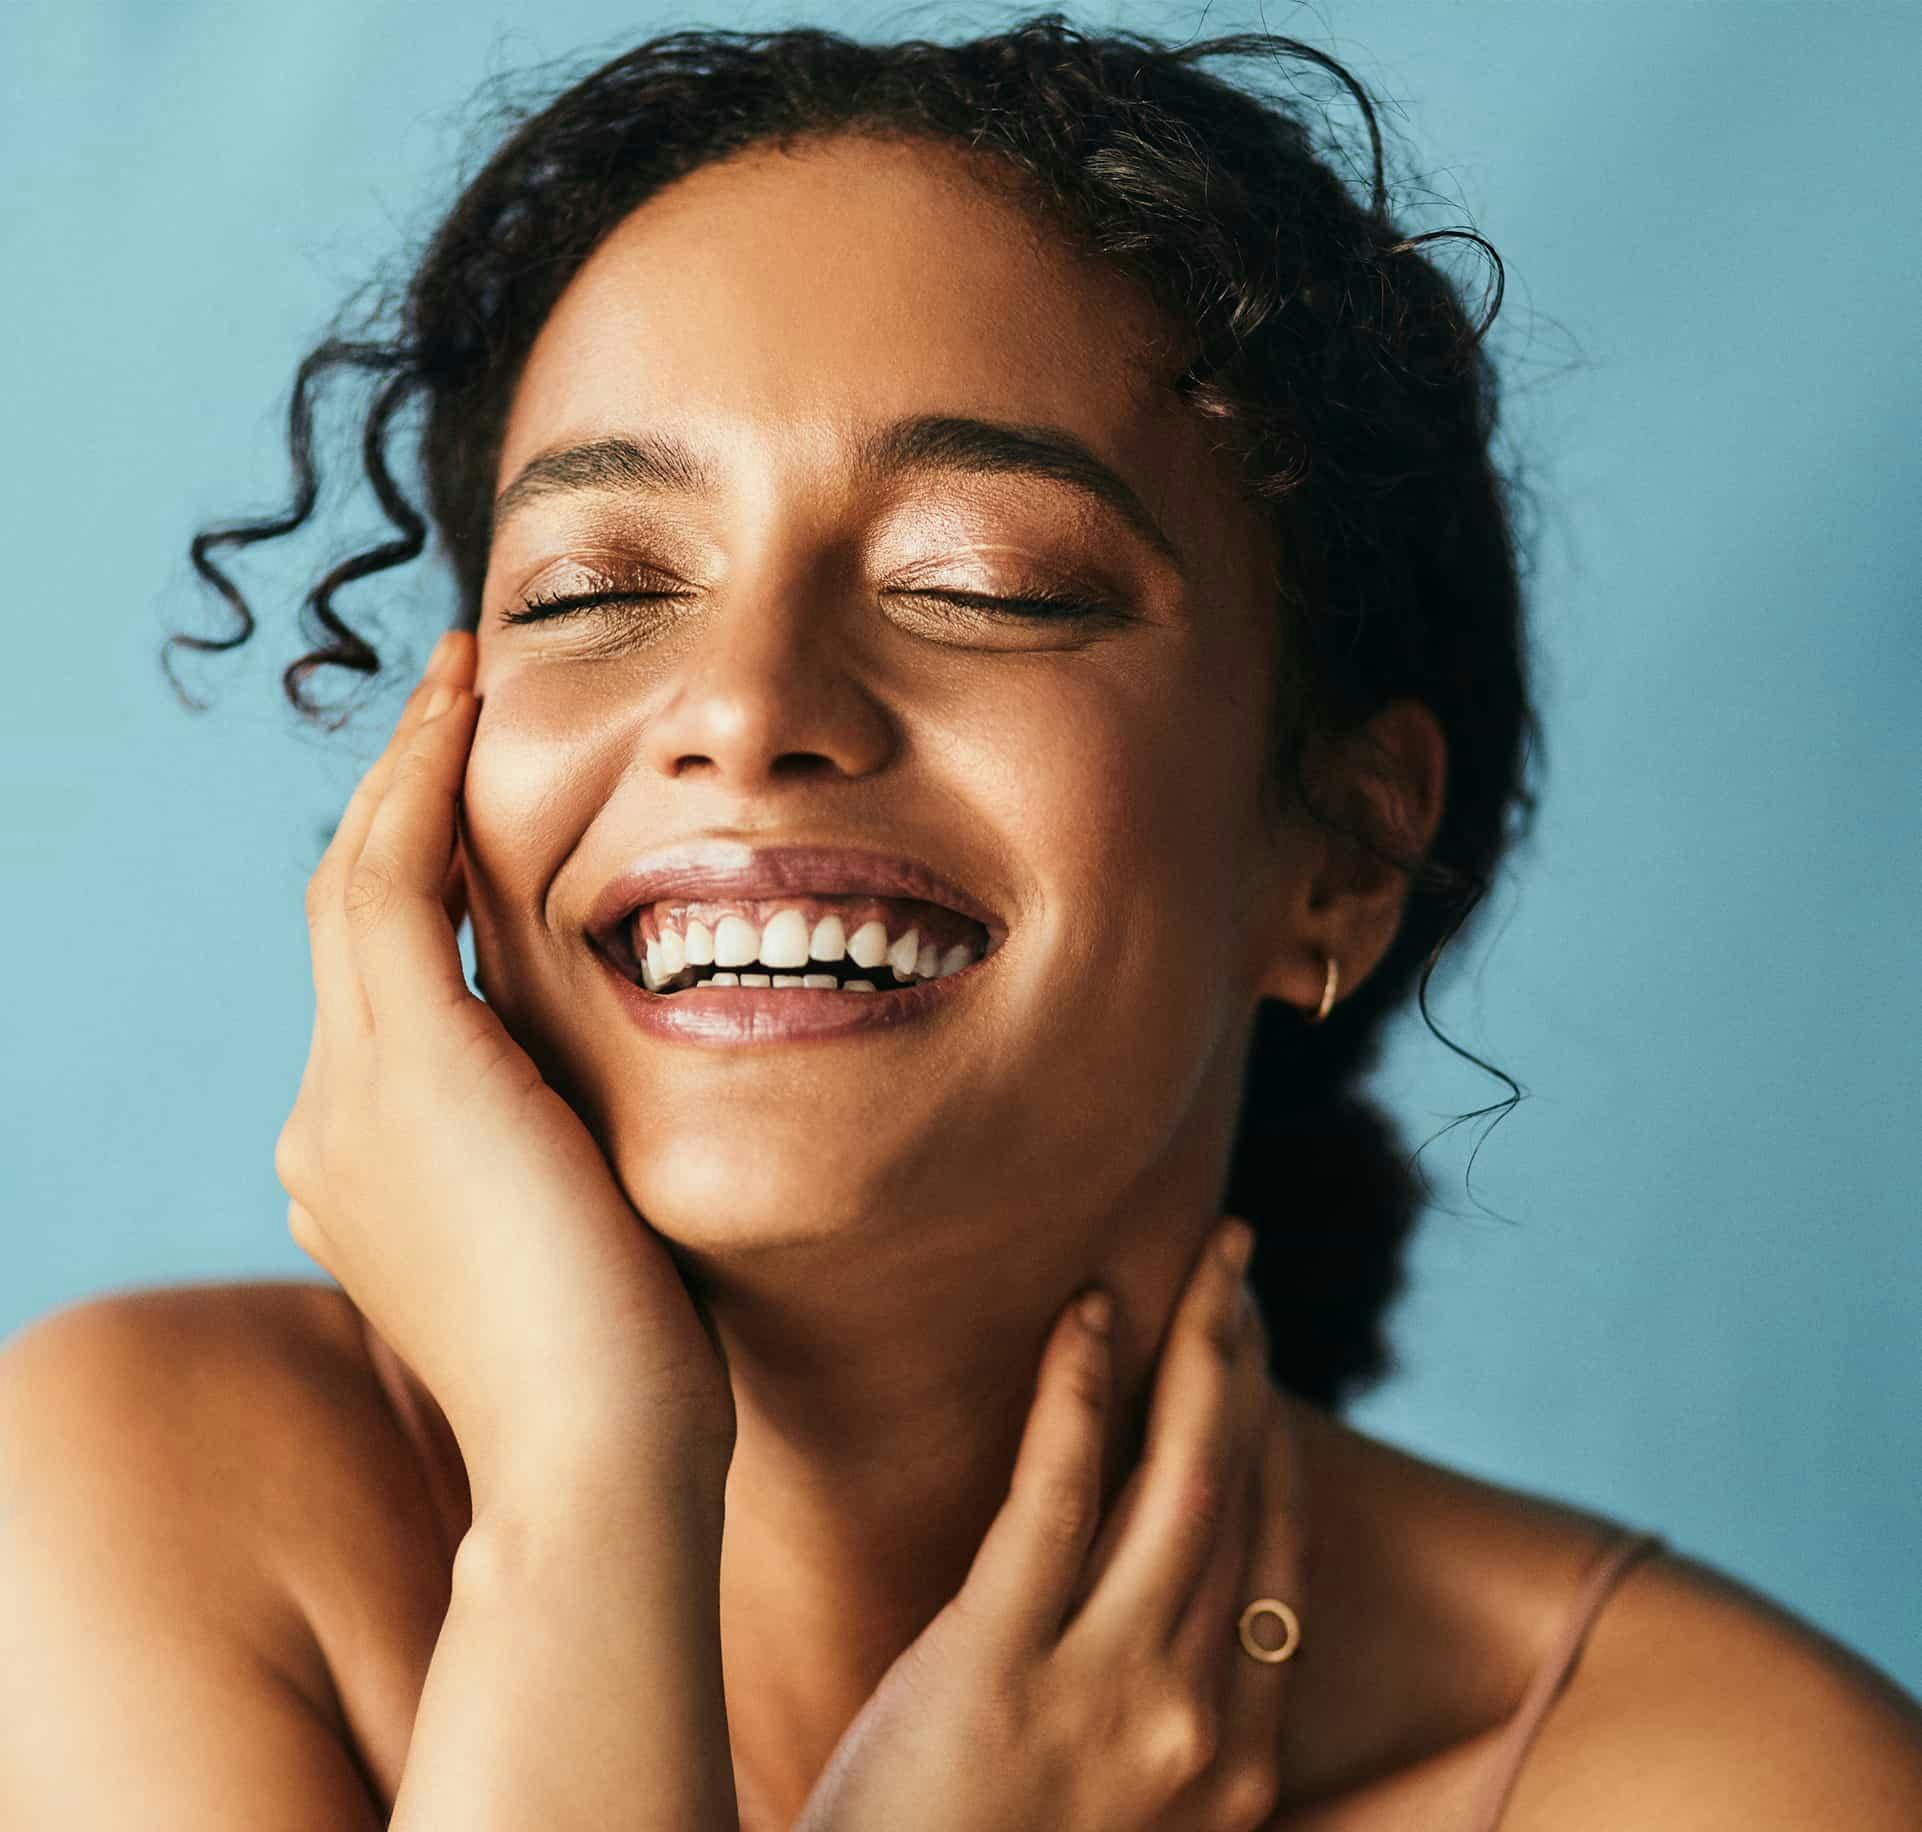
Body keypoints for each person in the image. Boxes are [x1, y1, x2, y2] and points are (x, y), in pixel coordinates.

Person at [3, 14, 1919, 1829]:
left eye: (981, 583)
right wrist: (589, 1492)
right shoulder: (141, 1494)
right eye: (593, 586)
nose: (745, 710)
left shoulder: (1728, 1782)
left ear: (1339, 842)